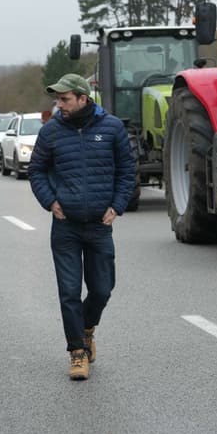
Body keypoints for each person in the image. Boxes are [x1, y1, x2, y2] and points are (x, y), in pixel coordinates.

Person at [28, 73, 135, 380]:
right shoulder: (51, 132)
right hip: (66, 227)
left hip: (100, 225)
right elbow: (36, 170)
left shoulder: (112, 128)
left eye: (65, 99)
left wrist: (117, 205)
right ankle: (77, 352)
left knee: (102, 290)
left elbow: (126, 171)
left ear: (83, 98)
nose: (59, 105)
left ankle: (87, 328)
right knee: (69, 292)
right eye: (58, 99)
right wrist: (50, 201)